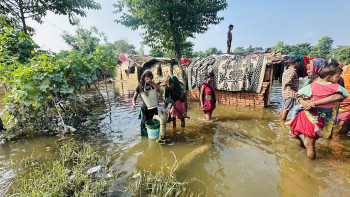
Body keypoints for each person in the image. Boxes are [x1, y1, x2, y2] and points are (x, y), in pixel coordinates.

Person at [290, 66, 348, 159]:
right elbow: (344, 95)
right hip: (320, 117)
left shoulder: (312, 86)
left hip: (310, 115)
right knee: (303, 140)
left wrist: (305, 101)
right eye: (338, 76)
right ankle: (309, 159)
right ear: (328, 77)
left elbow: (297, 94)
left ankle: (309, 164)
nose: (339, 78)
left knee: (307, 142)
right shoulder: (337, 87)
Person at [131, 70, 160, 136]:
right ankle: (145, 137)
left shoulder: (153, 86)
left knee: (155, 122)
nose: (148, 79)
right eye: (147, 78)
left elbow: (159, 90)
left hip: (153, 107)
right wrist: (133, 104)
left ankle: (155, 135)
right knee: (145, 124)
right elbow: (134, 98)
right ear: (143, 78)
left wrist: (152, 83)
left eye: (150, 78)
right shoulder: (139, 87)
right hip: (145, 109)